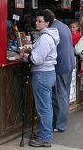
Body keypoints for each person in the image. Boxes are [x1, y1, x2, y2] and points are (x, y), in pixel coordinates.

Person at [18, 9, 59, 147]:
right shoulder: (48, 36)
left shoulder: (46, 38)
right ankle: (45, 134)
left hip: (42, 74)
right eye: (37, 20)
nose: (37, 22)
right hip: (48, 73)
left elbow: (37, 59)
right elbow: (38, 50)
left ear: (47, 23)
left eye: (40, 21)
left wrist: (25, 56)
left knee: (44, 108)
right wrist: (30, 49)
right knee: (46, 107)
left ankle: (45, 138)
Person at [51, 13, 76, 133]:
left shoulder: (53, 28)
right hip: (69, 64)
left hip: (60, 65)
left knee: (59, 96)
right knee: (64, 94)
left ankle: (60, 124)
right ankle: (62, 122)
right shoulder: (64, 26)